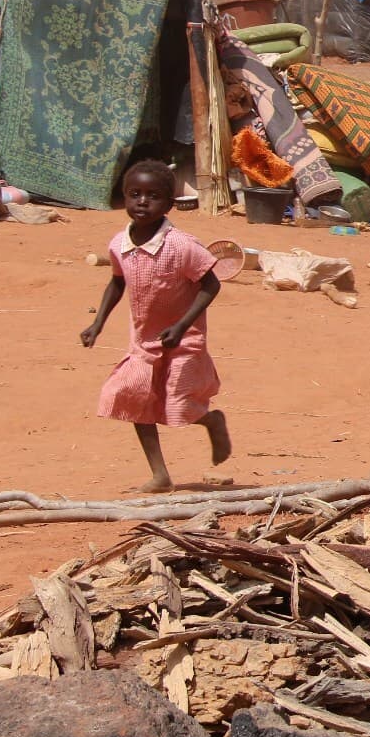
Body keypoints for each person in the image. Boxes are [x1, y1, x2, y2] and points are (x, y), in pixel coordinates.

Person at [81, 160, 232, 491]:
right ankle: (160, 474)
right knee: (134, 397)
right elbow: (117, 283)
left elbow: (211, 285)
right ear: (123, 197)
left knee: (179, 405)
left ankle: (211, 420)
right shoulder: (120, 243)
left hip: (183, 340)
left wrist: (181, 325)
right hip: (144, 340)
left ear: (169, 204)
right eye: (134, 194)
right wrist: (97, 323)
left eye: (153, 196)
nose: (142, 202)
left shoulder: (180, 246)